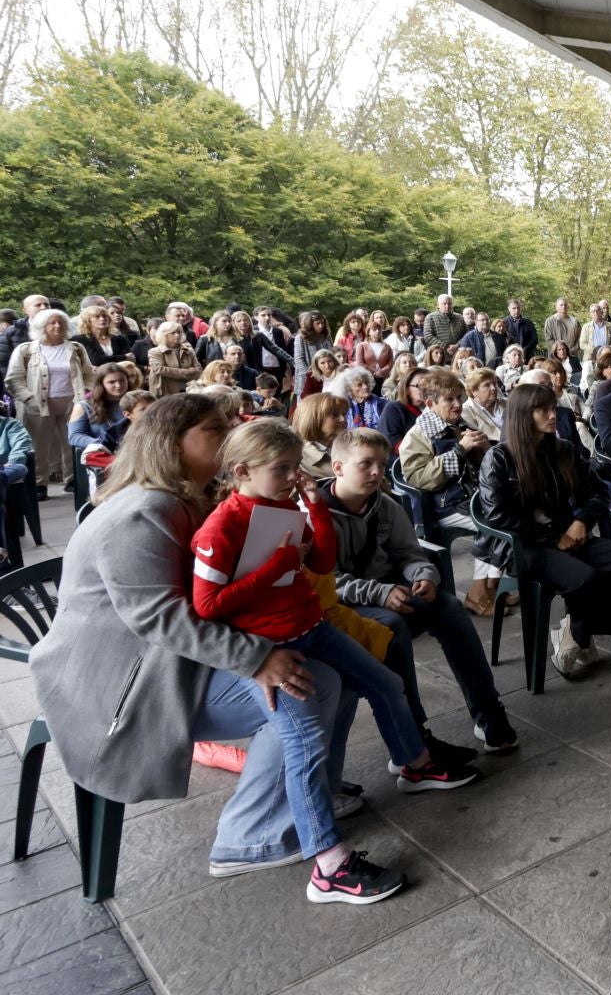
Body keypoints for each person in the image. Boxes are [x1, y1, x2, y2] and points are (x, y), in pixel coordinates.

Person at [28, 396, 405, 904]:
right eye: (214, 429)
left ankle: (300, 805)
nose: (230, 436)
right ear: (172, 443)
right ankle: (252, 839)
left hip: (170, 661)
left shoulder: (188, 500)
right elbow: (162, 619)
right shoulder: (141, 512)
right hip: (122, 689)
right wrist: (255, 659)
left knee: (326, 674)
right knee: (305, 686)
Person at [190, 417, 479, 802]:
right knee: (341, 694)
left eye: (296, 467)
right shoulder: (223, 524)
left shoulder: (286, 507)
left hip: (308, 624)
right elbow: (208, 604)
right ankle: (325, 826)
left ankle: (426, 752)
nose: (294, 477)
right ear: (243, 471)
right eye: (283, 469)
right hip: (278, 637)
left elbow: (321, 563)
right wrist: (280, 565)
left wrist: (314, 509)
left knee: (396, 667)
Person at [323, 428, 518, 754]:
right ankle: (414, 737)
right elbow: (327, 580)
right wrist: (379, 593)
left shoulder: (384, 506)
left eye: (382, 465)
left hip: (393, 590)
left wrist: (424, 576)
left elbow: (408, 554)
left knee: (450, 609)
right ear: (338, 467)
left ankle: (488, 713)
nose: (376, 472)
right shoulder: (317, 514)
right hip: (346, 605)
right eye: (365, 464)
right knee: (391, 625)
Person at [478, 382, 611, 678]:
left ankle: (575, 634)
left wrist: (581, 520)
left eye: (552, 408)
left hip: (568, 534)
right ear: (521, 415)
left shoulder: (564, 451)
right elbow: (497, 516)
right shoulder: (499, 458)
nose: (552, 415)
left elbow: (596, 493)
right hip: (523, 546)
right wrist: (554, 538)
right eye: (541, 409)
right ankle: (578, 639)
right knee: (585, 578)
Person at [399, 370, 501, 614]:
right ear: (431, 403)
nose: (457, 404)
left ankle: (490, 590)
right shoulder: (417, 434)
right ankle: (478, 593)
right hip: (444, 506)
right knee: (496, 522)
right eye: (450, 400)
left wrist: (486, 449)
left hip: (472, 499)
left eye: (459, 397)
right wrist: (459, 451)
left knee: (507, 514)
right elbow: (419, 477)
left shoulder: (461, 424)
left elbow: (489, 466)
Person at [6, 307, 93, 489]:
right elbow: (14, 379)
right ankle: (39, 484)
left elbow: (88, 374)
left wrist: (85, 397)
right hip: (38, 404)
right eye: (52, 322)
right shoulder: (26, 350)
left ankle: (72, 480)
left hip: (72, 402)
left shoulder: (76, 348)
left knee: (71, 443)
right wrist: (29, 399)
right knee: (38, 445)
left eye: (61, 322)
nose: (57, 326)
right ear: (41, 326)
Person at [69, 361, 138, 456]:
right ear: (101, 384)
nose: (118, 385)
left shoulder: (139, 402)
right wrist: (105, 443)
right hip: (102, 455)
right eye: (111, 382)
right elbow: (75, 436)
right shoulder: (83, 406)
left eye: (122, 380)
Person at [293, 392, 349, 480]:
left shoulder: (351, 447)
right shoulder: (298, 459)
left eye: (344, 414)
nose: (343, 419)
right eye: (334, 415)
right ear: (312, 418)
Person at [331, 366, 388, 432]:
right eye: (359, 384)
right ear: (348, 388)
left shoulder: (382, 403)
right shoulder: (342, 407)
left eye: (366, 382)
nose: (365, 386)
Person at [461, 368, 506, 442]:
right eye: (487, 385)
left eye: (494, 384)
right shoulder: (466, 411)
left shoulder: (506, 403)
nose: (493, 388)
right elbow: (477, 439)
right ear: (474, 391)